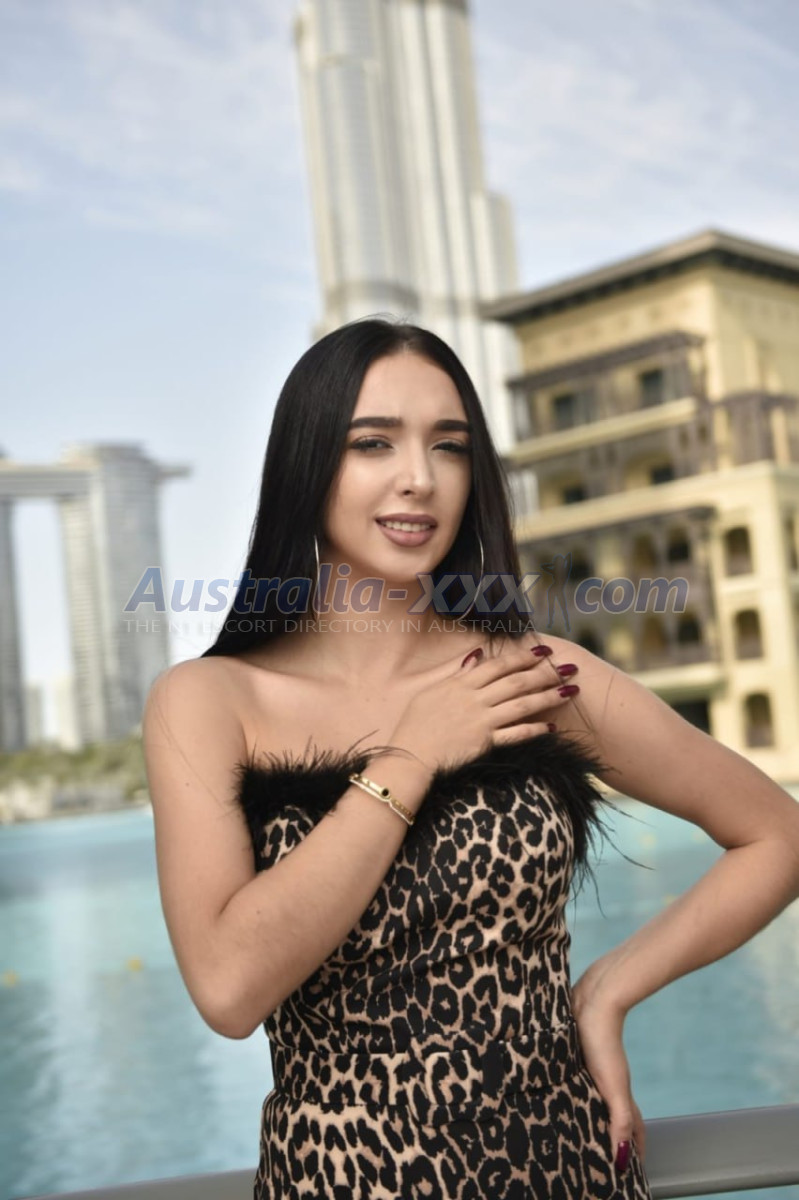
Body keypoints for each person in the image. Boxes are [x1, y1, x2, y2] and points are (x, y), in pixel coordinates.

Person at [142, 318, 799, 1200]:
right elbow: (229, 989)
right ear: (307, 463)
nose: (419, 477)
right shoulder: (210, 701)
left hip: (566, 1170)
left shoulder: (530, 676)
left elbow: (776, 835)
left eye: (448, 446)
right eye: (373, 443)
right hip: (345, 1181)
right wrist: (413, 753)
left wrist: (607, 989)